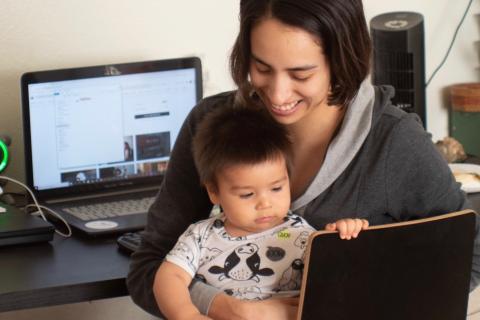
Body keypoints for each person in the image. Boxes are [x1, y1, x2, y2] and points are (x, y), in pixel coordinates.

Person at [128, 0, 480, 319]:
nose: (278, 95)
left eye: (301, 74)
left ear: (342, 61)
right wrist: (228, 308)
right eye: (261, 67)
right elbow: (148, 267)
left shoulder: (393, 142)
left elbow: (468, 260)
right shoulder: (212, 127)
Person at [153, 107, 369, 320]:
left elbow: (339, 283)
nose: (265, 203)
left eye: (276, 188)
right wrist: (187, 315)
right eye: (247, 194)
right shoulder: (200, 236)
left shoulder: (301, 235)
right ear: (214, 192)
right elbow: (169, 277)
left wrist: (340, 238)